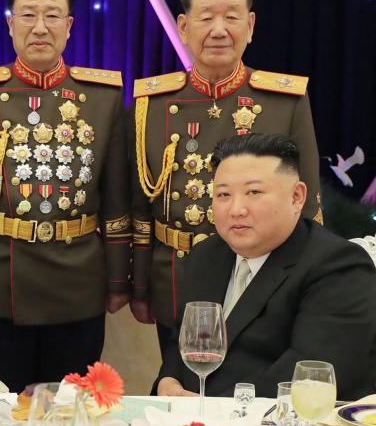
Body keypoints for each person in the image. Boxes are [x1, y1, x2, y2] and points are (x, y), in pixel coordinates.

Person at [0, 0, 132, 393]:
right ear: (10, 25)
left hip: (78, 282)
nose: (40, 27)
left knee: (73, 408)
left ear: (69, 26)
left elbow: (117, 201)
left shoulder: (102, 97)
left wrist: (119, 281)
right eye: (28, 15)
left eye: (52, 16)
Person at [130, 0, 322, 350]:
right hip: (177, 278)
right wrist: (136, 285)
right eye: (206, 18)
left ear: (250, 26)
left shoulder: (285, 100)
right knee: (180, 391)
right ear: (183, 27)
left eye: (232, 17)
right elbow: (139, 205)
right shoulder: (151, 104)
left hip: (262, 280)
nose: (219, 30)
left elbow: (307, 206)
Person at [155, 133, 376, 400]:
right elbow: (183, 341)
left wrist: (212, 410)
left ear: (296, 197)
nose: (236, 209)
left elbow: (308, 376)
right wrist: (167, 380)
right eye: (223, 194)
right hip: (193, 425)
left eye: (254, 192)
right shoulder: (207, 255)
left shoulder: (338, 267)